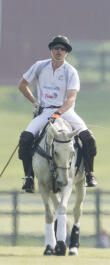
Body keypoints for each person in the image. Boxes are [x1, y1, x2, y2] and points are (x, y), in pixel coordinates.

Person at [18, 35, 98, 193]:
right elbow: (22, 85)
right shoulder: (40, 66)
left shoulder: (71, 71)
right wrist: (35, 103)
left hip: (66, 112)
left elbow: (71, 99)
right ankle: (28, 177)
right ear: (51, 49)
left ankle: (89, 173)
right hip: (44, 111)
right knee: (25, 139)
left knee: (88, 139)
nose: (59, 51)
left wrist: (58, 113)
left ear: (66, 52)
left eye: (63, 49)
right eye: (56, 48)